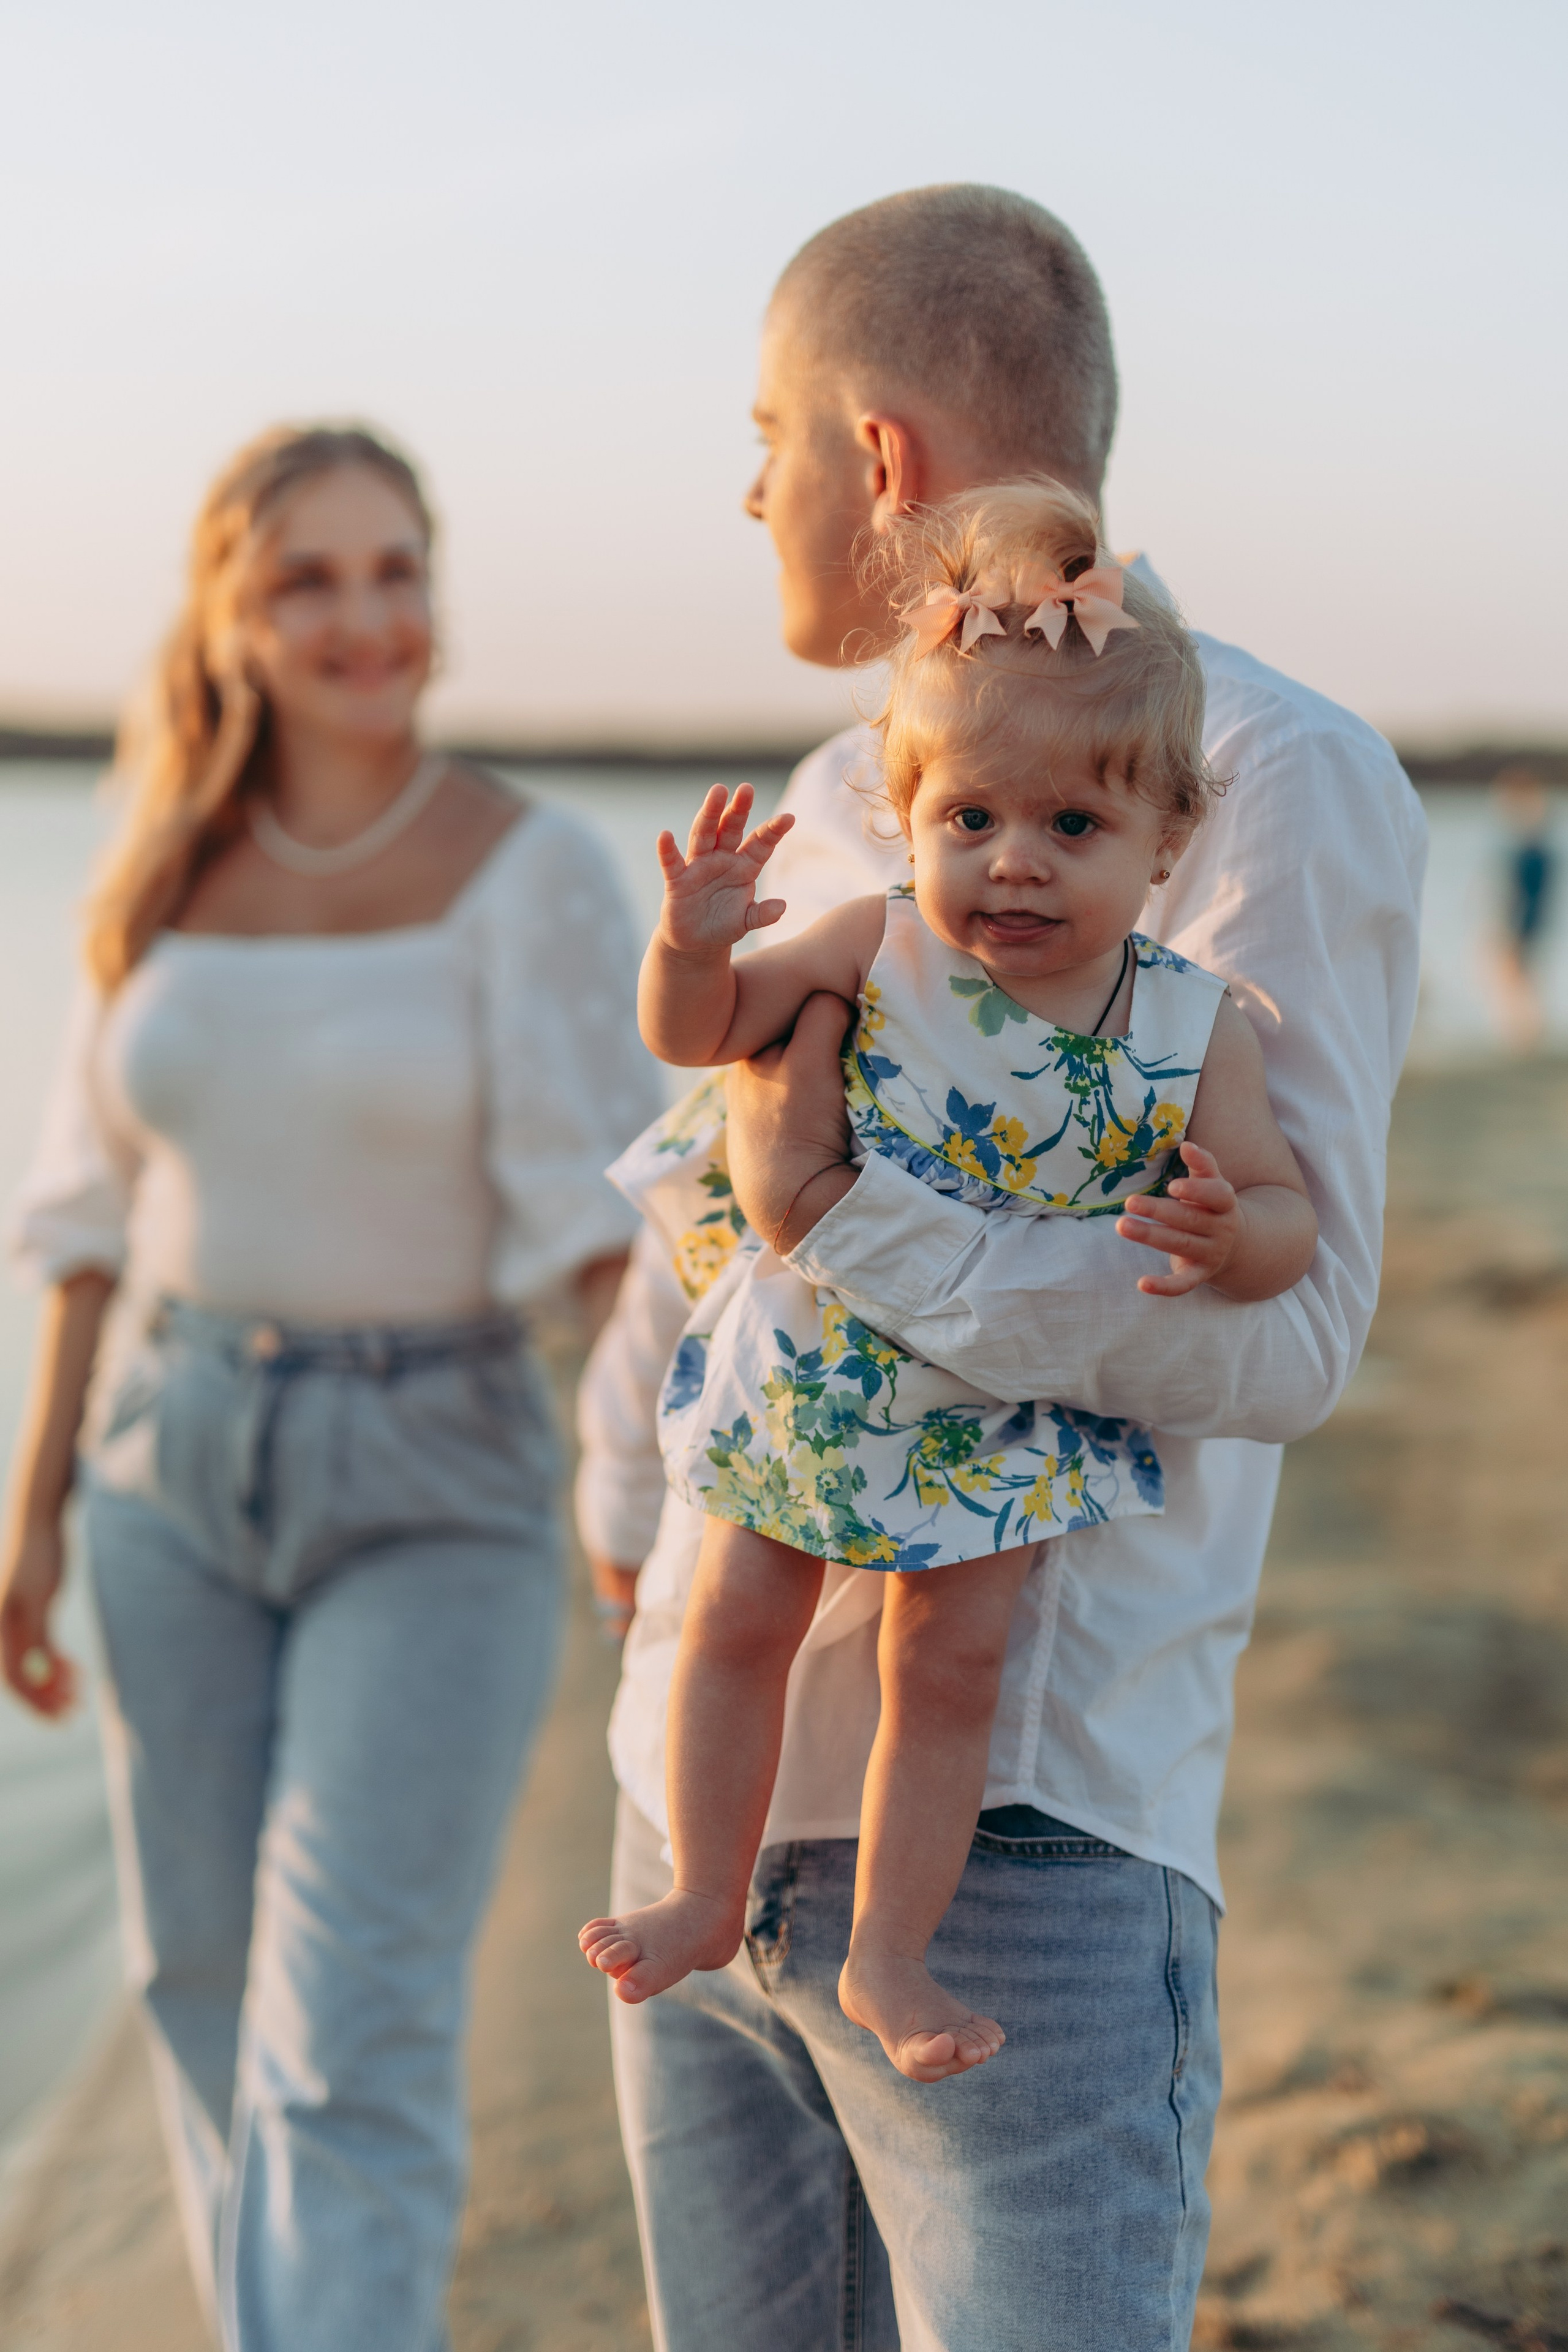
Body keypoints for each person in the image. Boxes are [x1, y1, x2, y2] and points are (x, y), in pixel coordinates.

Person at [578, 187, 1427, 2351]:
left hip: (1025, 1831)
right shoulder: (834, 789)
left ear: (870, 459)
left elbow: (1283, 1334)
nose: (745, 486)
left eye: (764, 433)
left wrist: (842, 1218)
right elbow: (701, 1192)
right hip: (701, 1797)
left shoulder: (1265, 775)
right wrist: (618, 1505)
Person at [0, 424, 660, 2352]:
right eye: (310, 578)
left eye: (397, 569)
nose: (366, 618)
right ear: (231, 610)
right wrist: (33, 1504)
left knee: (347, 2030)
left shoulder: (527, 867)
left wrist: (678, 1497)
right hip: (168, 1463)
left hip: (433, 1470)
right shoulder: (162, 859)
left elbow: (605, 1234)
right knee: (197, 1989)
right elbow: (84, 1213)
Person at [579, 478, 1317, 2084]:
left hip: (1000, 1403)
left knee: (951, 1666)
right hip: (825, 1361)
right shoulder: (874, 941)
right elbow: (701, 1038)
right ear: (910, 815)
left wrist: (1227, 1236)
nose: (1014, 866)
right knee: (737, 1617)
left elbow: (1287, 1222)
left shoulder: (1195, 1031)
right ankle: (710, 1889)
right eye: (969, 818)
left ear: (1167, 841)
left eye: (1075, 826)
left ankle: (890, 1958)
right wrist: (696, 945)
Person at [1490, 763, 1556, 1051]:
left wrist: (1514, 924)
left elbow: (1527, 893)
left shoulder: (1534, 844)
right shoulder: (1533, 841)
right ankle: (1524, 1035)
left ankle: (1524, 1037)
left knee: (1519, 976)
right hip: (1528, 919)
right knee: (1521, 977)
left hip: (1525, 921)